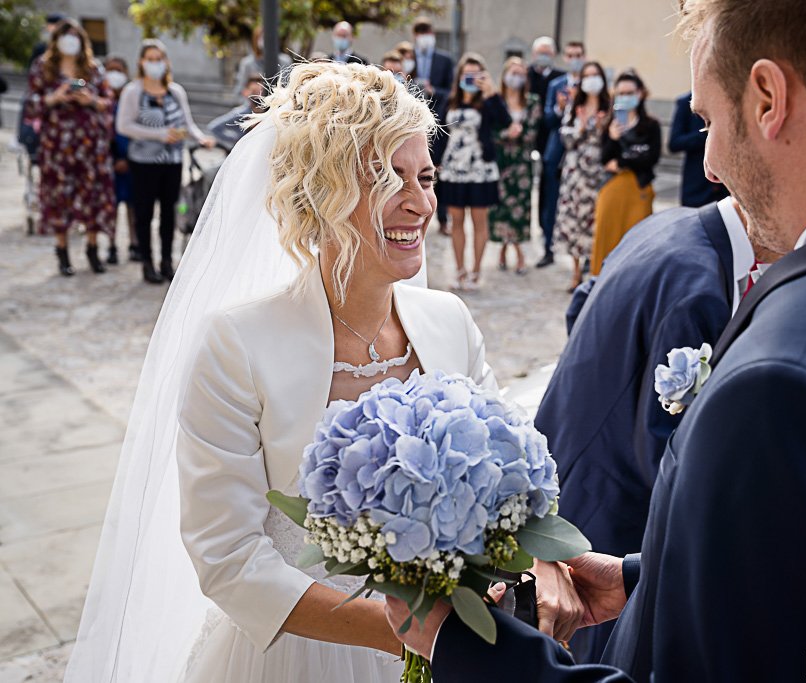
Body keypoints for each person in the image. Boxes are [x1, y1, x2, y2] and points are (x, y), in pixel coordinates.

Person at [387, 2, 806, 681]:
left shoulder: (787, 382)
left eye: (710, 119)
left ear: (769, 97)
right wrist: (653, 579)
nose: (712, 164)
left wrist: (465, 647)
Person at [65, 61, 577, 683]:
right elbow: (227, 556)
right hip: (296, 653)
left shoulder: (450, 322)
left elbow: (506, 489)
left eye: (425, 176)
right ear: (321, 194)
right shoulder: (238, 344)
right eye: (388, 179)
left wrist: (529, 569)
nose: (419, 203)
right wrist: (409, 635)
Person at [537, 195, 781, 663]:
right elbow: (665, 448)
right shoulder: (698, 293)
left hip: (570, 453)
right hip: (611, 510)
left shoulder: (668, 224)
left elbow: (582, 301)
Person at [117, 39, 215, 284]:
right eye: (150, 59)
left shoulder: (175, 91)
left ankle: (166, 261)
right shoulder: (133, 91)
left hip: (172, 161)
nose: (155, 64)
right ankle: (147, 261)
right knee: (144, 213)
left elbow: (187, 122)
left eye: (158, 59)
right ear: (141, 62)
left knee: (169, 213)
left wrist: (201, 138)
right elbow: (123, 125)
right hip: (143, 162)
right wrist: (160, 134)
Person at [25, 19, 115, 276]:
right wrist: (54, 97)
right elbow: (30, 105)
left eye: (76, 36)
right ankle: (62, 251)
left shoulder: (93, 68)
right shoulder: (43, 68)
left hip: (90, 144)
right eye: (66, 36)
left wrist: (91, 100)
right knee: (59, 196)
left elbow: (109, 102)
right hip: (57, 145)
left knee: (94, 194)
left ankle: (92, 248)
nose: (71, 40)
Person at [435, 53, 511, 291]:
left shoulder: (488, 102)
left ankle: (476, 270)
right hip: (453, 168)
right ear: (459, 76)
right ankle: (459, 269)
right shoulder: (449, 100)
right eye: (466, 74)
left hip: (480, 168)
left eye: (475, 74)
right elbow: (440, 133)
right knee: (456, 220)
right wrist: (434, 161)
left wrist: (491, 93)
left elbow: (505, 122)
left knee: (480, 221)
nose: (470, 79)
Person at [590, 70, 661, 276]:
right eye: (620, 93)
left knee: (637, 243)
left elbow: (651, 158)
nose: (625, 97)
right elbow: (604, 160)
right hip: (611, 188)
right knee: (606, 239)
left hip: (639, 188)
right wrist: (612, 137)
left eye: (630, 92)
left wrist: (621, 161)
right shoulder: (610, 124)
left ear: (640, 93)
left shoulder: (651, 125)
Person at [556, 60, 610, 292]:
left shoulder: (609, 107)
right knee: (574, 219)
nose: (591, 80)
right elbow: (564, 138)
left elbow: (612, 140)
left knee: (595, 220)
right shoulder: (574, 107)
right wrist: (581, 127)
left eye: (595, 75)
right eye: (586, 76)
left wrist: (600, 127)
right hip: (574, 172)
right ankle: (576, 272)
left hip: (597, 173)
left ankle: (595, 271)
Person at [490, 57, 542, 274]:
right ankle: (502, 248)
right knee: (500, 207)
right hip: (500, 161)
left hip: (521, 164)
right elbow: (490, 130)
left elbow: (533, 130)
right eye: (513, 72)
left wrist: (519, 134)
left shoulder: (532, 101)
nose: (516, 77)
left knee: (520, 209)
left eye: (521, 73)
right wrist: (505, 134)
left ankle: (519, 252)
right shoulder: (497, 101)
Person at [538, 40, 586, 268]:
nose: (574, 58)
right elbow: (547, 120)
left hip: (582, 156)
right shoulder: (556, 85)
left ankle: (586, 254)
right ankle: (548, 249)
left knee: (584, 204)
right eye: (570, 55)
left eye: (578, 54)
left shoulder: (590, 86)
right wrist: (559, 107)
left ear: (584, 57)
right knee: (551, 203)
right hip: (556, 153)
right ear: (565, 58)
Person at [412, 17, 455, 235]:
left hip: (438, 122)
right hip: (411, 123)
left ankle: (443, 219)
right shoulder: (408, 56)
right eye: (420, 32)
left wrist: (433, 90)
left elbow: (451, 91)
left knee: (437, 171)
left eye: (426, 31)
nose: (423, 36)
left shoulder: (445, 60)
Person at [103, 56, 138, 264]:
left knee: (133, 206)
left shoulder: (131, 97)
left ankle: (134, 243)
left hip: (132, 161)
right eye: (110, 70)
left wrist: (126, 157)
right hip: (109, 163)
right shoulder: (102, 100)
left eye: (119, 70)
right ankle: (111, 245)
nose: (114, 74)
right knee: (111, 207)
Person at [668, 91, 729, 207]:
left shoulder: (727, 98)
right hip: (696, 185)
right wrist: (707, 134)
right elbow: (674, 143)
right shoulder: (685, 102)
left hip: (725, 188)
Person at [527, 36, 565, 187]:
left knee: (547, 180)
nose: (543, 56)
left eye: (547, 53)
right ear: (533, 54)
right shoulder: (526, 75)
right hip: (529, 132)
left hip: (550, 133)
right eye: (540, 52)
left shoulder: (560, 78)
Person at [234, 27, 292, 102]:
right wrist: (252, 94)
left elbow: (289, 88)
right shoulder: (247, 63)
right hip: (252, 108)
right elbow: (239, 91)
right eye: (263, 38)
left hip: (278, 106)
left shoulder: (285, 61)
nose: (267, 42)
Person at [208, 76, 265, 149]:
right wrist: (238, 138)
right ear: (245, 92)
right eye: (254, 92)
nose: (258, 96)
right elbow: (214, 127)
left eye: (260, 92)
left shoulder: (269, 111)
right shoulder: (242, 113)